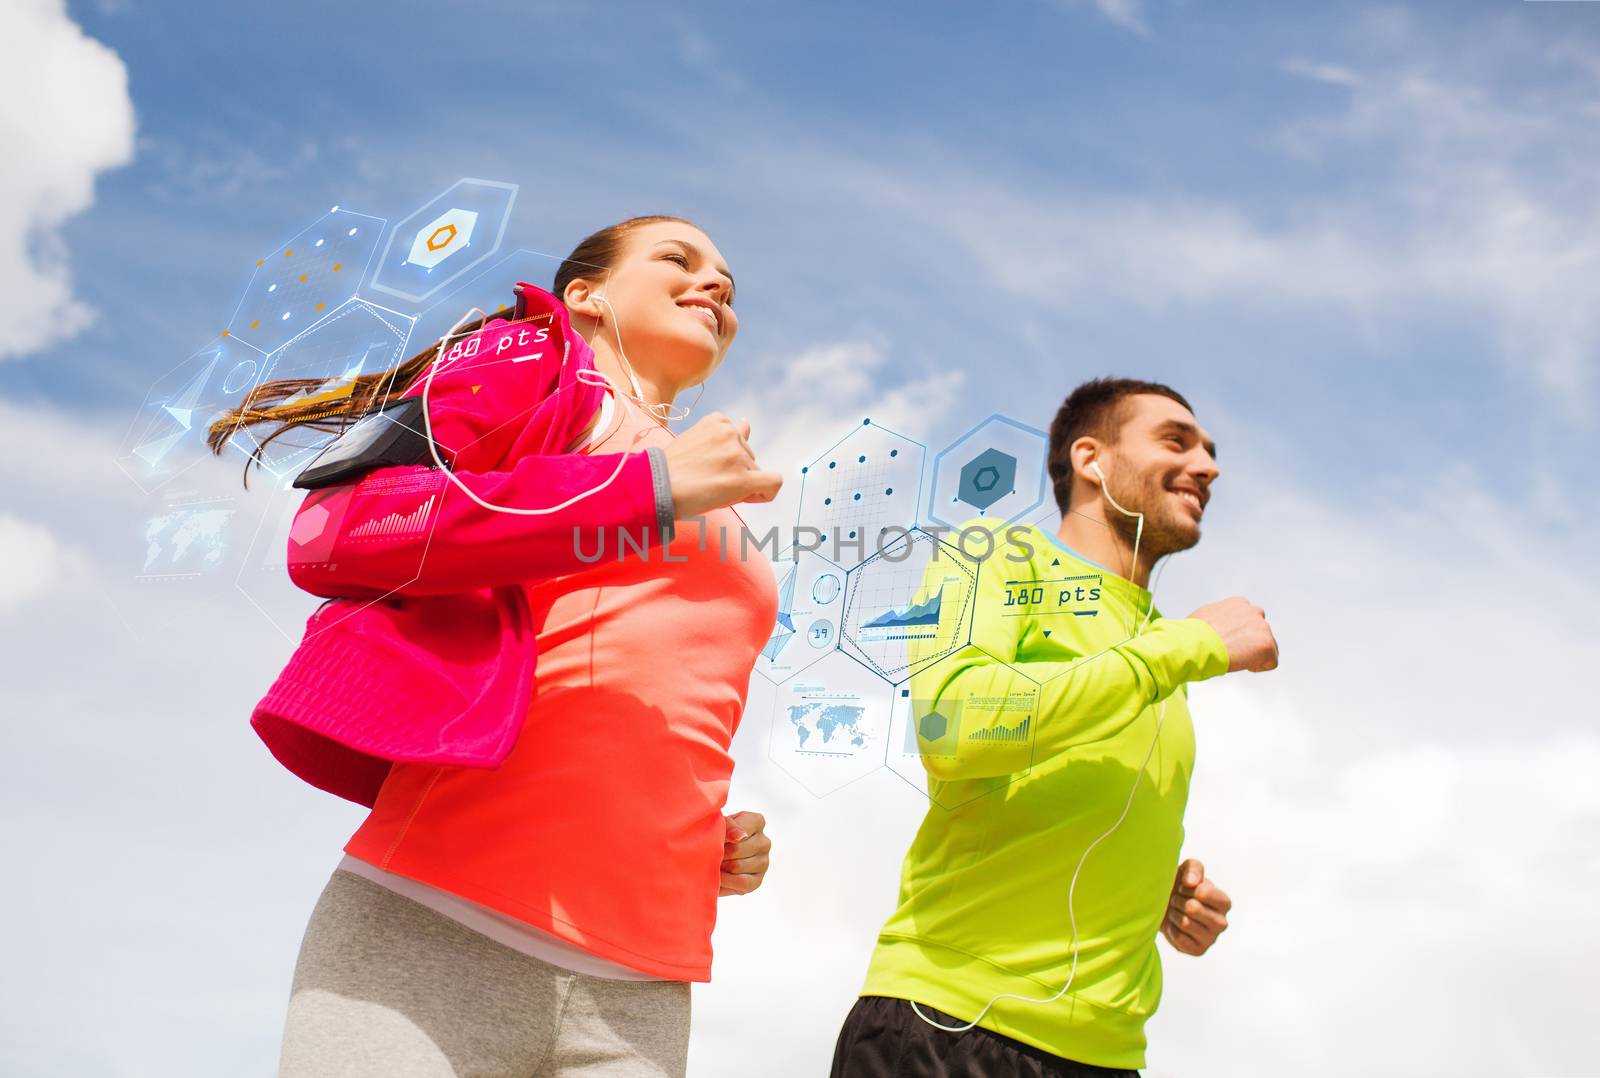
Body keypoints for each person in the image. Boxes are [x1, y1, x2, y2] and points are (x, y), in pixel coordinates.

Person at [211, 216, 784, 1077]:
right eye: (679, 260)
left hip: (641, 979)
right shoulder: (538, 373)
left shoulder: (722, 498)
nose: (716, 286)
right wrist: (649, 485)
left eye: (728, 282)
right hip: (435, 926)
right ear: (585, 296)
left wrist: (697, 832)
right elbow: (337, 530)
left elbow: (645, 681)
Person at [831, 378, 1279, 1077]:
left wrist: (1154, 892)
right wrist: (1184, 648)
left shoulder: (1163, 642)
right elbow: (957, 729)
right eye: (1176, 441)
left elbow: (1073, 798)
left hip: (1104, 1054)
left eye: (1211, 451)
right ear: (1091, 459)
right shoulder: (993, 556)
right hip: (948, 1025)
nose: (1209, 466)